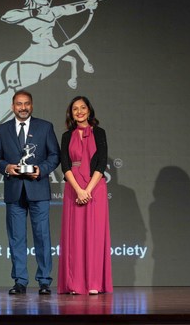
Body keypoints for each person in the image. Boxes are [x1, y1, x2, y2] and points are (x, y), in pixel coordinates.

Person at [0, 90, 60, 295]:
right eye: (19, 104)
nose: (23, 108)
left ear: (32, 106)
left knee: (42, 236)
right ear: (12, 106)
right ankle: (20, 281)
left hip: (38, 189)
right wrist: (7, 167)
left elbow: (55, 155)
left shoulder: (45, 127)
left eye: (27, 104)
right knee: (16, 237)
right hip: (14, 189)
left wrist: (42, 169)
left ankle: (44, 281)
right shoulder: (2, 129)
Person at [57, 96, 113, 295]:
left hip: (95, 187)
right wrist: (78, 190)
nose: (79, 111)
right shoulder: (66, 136)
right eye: (75, 109)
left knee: (95, 236)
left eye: (82, 108)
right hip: (74, 188)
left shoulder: (99, 133)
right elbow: (64, 165)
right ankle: (74, 283)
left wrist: (87, 190)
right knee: (75, 237)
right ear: (71, 113)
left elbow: (101, 162)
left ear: (89, 111)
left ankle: (94, 282)